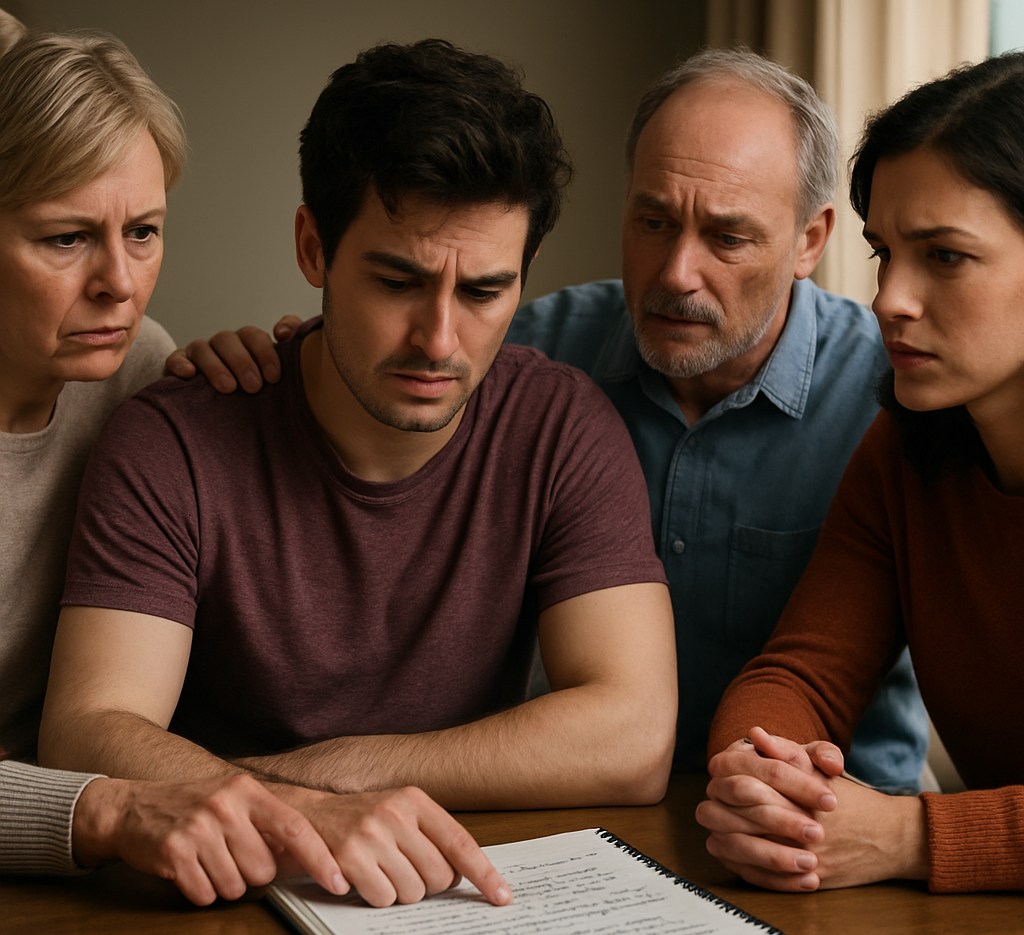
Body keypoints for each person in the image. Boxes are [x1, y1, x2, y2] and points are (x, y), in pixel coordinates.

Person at [182, 49, 928, 791]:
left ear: (810, 240)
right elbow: (391, 356)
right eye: (653, 220)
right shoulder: (534, 356)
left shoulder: (897, 398)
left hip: (834, 815)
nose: (675, 273)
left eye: (727, 238)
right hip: (573, 813)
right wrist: (272, 365)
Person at [38, 41, 677, 812]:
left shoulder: (563, 428)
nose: (439, 340)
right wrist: (317, 818)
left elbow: (634, 739)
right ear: (314, 248)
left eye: (483, 291)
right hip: (220, 887)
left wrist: (341, 779)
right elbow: (87, 731)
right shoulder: (171, 440)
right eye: (398, 281)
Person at [0, 16, 510, 909]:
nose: (118, 282)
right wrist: (107, 809)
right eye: (64, 238)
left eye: (145, 231)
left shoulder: (138, 366)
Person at [699, 52, 1024, 893]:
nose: (889, 299)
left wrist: (912, 837)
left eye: (945, 256)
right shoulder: (908, 451)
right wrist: (763, 779)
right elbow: (800, 673)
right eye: (884, 252)